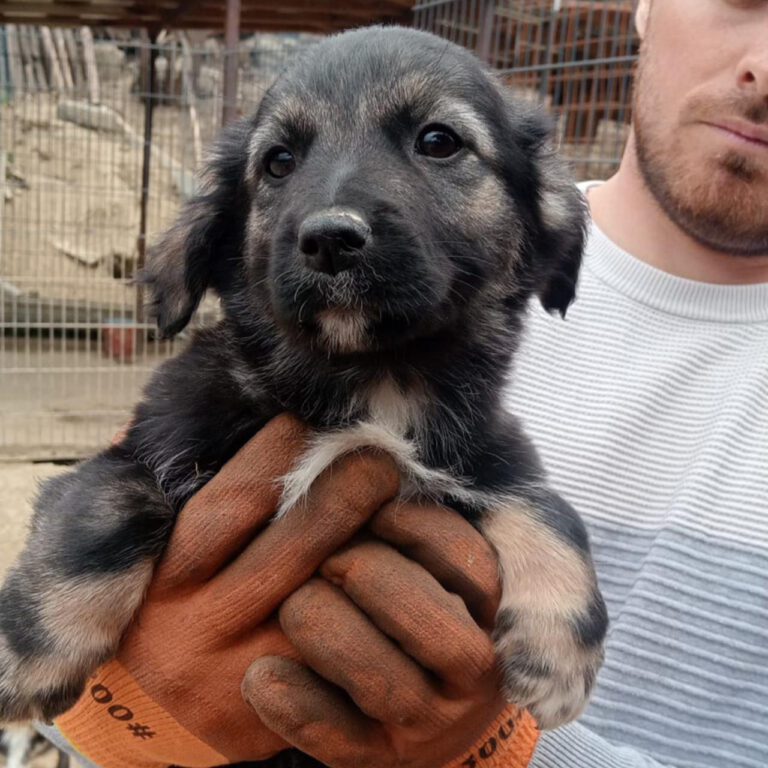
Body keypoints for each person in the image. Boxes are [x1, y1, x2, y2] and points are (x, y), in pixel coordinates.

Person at [40, 0, 768, 766]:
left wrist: (505, 752)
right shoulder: (215, 398)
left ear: (543, 224)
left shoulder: (499, 413)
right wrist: (115, 718)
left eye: (438, 143)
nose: (332, 217)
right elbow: (60, 674)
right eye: (280, 163)